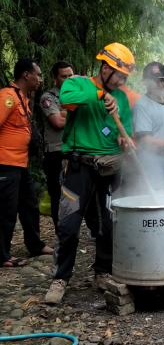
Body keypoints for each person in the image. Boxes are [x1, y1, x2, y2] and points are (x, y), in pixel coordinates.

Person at [45, 42, 135, 304]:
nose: (121, 81)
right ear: (105, 68)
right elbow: (67, 100)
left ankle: (102, 272)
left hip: (109, 169)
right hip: (78, 167)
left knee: (108, 223)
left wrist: (124, 139)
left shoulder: (121, 98)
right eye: (119, 75)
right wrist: (97, 95)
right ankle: (60, 278)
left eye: (124, 77)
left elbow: (124, 130)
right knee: (69, 224)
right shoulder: (78, 83)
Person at [0, 58, 53, 268]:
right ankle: (2, 255)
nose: (40, 79)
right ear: (26, 75)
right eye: (38, 74)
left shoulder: (22, 99)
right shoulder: (8, 97)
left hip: (20, 164)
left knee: (30, 205)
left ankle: (35, 244)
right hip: (5, 163)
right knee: (6, 209)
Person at [132, 62, 164, 192]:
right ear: (146, 83)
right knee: (159, 210)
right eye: (156, 81)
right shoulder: (142, 106)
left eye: (163, 80)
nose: (160, 84)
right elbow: (145, 140)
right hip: (154, 171)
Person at [40, 61, 74, 230]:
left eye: (70, 76)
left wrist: (65, 111)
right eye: (64, 76)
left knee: (74, 193)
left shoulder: (78, 94)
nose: (68, 79)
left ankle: (71, 231)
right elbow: (58, 122)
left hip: (75, 151)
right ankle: (61, 233)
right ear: (55, 79)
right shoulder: (48, 98)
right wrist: (76, 112)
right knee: (57, 195)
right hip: (56, 152)